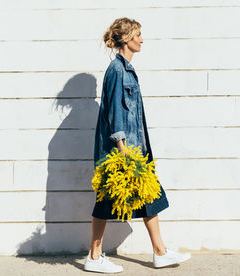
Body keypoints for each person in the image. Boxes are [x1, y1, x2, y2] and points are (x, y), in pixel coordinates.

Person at [84, 17, 192, 273]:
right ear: (125, 39)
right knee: (107, 201)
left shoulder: (126, 69)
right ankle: (94, 256)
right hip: (123, 151)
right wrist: (125, 154)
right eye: (138, 35)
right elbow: (115, 116)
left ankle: (160, 251)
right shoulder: (117, 70)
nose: (142, 39)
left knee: (149, 194)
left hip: (135, 148)